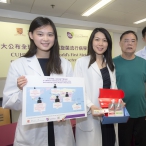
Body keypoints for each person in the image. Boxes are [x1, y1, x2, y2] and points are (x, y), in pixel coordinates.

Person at [3, 17, 75, 146]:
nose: (45, 39)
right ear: (31, 35)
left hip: (61, 130)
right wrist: (22, 91)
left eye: (50, 34)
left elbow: (72, 96)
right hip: (32, 133)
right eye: (40, 34)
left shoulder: (65, 64)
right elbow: (9, 102)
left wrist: (68, 111)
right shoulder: (19, 65)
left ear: (55, 37)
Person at [73, 28, 118, 146]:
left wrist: (118, 102)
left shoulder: (110, 64)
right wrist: (91, 105)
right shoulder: (81, 62)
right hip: (90, 116)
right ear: (91, 41)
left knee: (109, 142)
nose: (101, 44)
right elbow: (78, 89)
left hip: (108, 115)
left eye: (104, 40)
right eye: (97, 39)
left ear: (108, 44)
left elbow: (113, 88)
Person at [113, 30, 146, 146]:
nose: (129, 44)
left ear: (136, 44)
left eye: (132, 41)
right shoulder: (112, 63)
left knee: (142, 142)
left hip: (141, 110)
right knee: (124, 142)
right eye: (126, 41)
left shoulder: (143, 63)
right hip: (122, 111)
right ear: (120, 43)